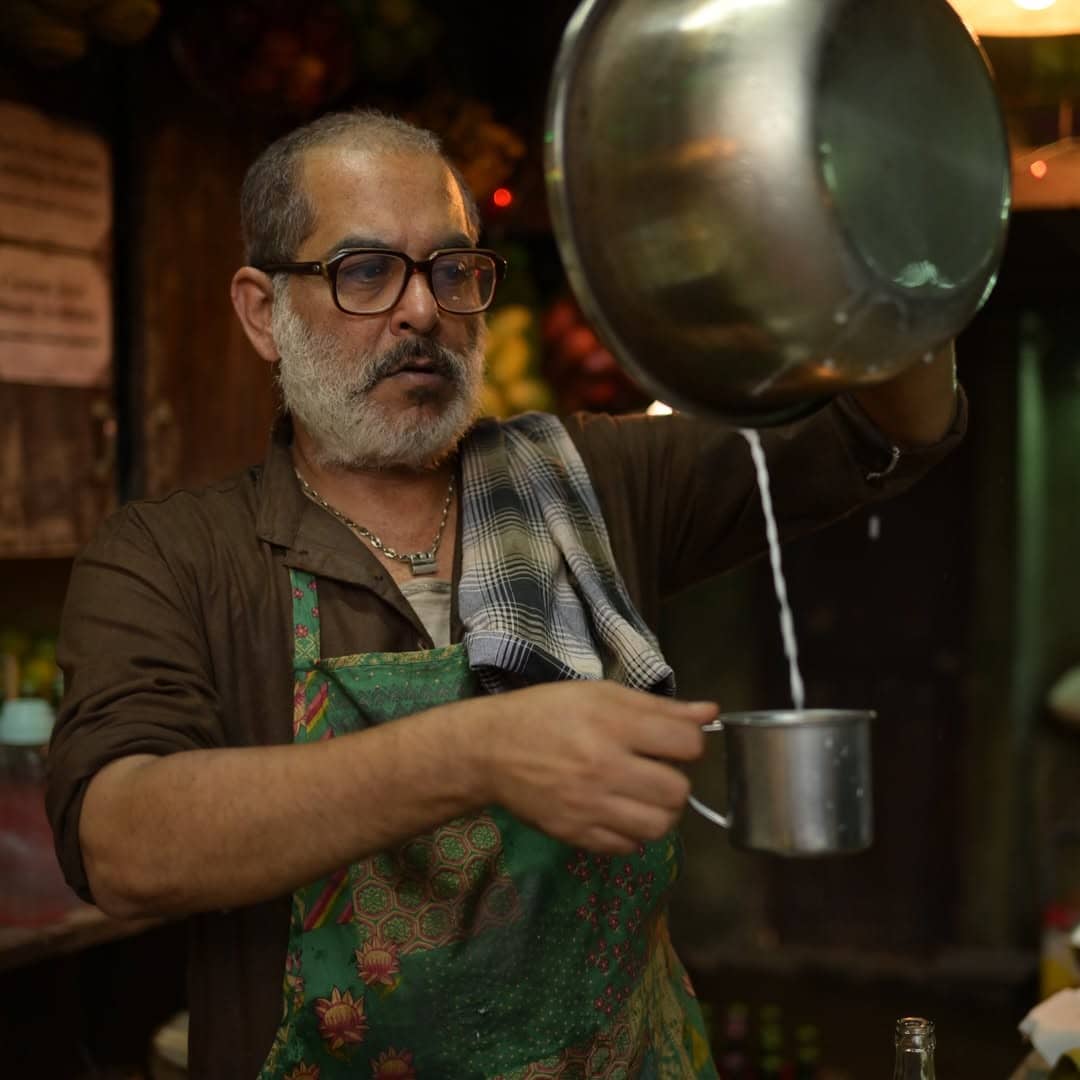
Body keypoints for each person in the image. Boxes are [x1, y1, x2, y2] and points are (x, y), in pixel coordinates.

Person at [46, 108, 965, 1079]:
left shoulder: (591, 482)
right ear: (261, 311)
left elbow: (887, 429)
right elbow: (119, 844)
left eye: (452, 270)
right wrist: (480, 750)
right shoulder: (174, 558)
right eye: (366, 271)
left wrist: (897, 243)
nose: (423, 310)